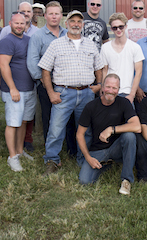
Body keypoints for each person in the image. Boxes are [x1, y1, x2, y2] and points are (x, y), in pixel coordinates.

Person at [39, 10, 104, 174]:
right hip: (63, 93)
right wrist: (51, 93)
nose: (76, 24)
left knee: (86, 130)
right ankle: (52, 160)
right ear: (66, 24)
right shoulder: (56, 44)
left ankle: (83, 159)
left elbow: (99, 67)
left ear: (82, 25)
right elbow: (45, 70)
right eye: (72, 21)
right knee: (56, 129)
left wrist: (99, 84)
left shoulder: (90, 44)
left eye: (79, 22)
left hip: (86, 94)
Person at [77, 74, 141, 195]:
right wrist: (88, 157)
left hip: (117, 147)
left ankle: (126, 180)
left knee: (129, 136)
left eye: (114, 88)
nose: (111, 91)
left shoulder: (124, 103)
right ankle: (107, 164)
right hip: (97, 151)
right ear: (102, 88)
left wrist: (111, 129)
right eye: (108, 87)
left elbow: (137, 126)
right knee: (85, 181)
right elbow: (80, 134)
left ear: (119, 89)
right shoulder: (91, 106)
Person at [26, 1, 72, 147]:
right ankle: (49, 145)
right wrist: (43, 80)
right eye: (51, 14)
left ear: (61, 16)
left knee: (68, 115)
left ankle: (67, 145)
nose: (54, 17)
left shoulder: (68, 34)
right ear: (45, 16)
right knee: (48, 115)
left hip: (66, 83)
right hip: (47, 83)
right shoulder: (38, 36)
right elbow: (32, 60)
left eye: (57, 14)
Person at [0, 12, 37, 172]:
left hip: (29, 88)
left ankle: (20, 151)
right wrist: (13, 88)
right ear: (10, 23)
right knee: (13, 123)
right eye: (17, 23)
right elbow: (3, 65)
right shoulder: (6, 42)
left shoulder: (29, 40)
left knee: (23, 122)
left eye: (23, 23)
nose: (20, 26)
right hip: (15, 91)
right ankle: (12, 157)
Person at [100, 13, 144, 103]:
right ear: (111, 29)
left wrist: (132, 94)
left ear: (126, 26)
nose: (118, 30)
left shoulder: (135, 47)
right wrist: (103, 89)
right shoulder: (105, 47)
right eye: (115, 28)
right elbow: (104, 70)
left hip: (127, 92)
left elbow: (138, 72)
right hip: (110, 92)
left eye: (121, 27)